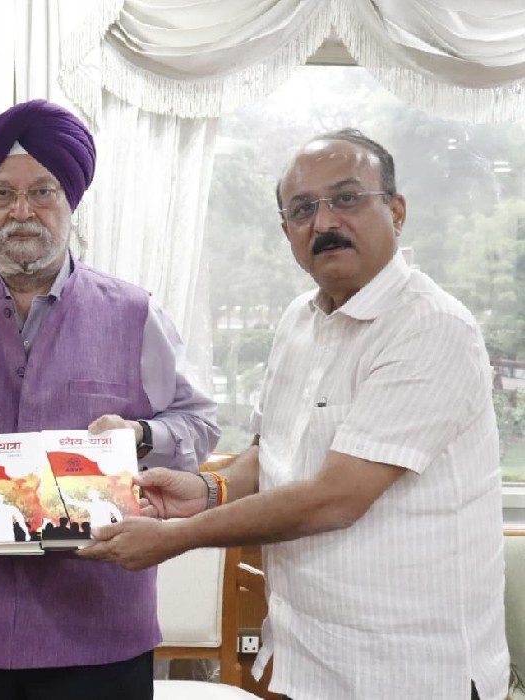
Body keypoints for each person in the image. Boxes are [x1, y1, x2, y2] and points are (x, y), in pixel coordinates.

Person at [81, 128, 510, 700]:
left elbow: (337, 497)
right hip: (308, 657)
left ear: (397, 210)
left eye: (347, 198)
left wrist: (175, 538)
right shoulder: (297, 321)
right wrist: (205, 490)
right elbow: (272, 454)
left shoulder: (431, 327)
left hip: (411, 670)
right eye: (303, 208)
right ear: (286, 231)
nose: (324, 221)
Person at [0, 98, 219, 700]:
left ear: (70, 204)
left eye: (43, 191)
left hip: (103, 627)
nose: (21, 210)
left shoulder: (135, 314)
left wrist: (141, 437)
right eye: (1, 193)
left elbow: (199, 423)